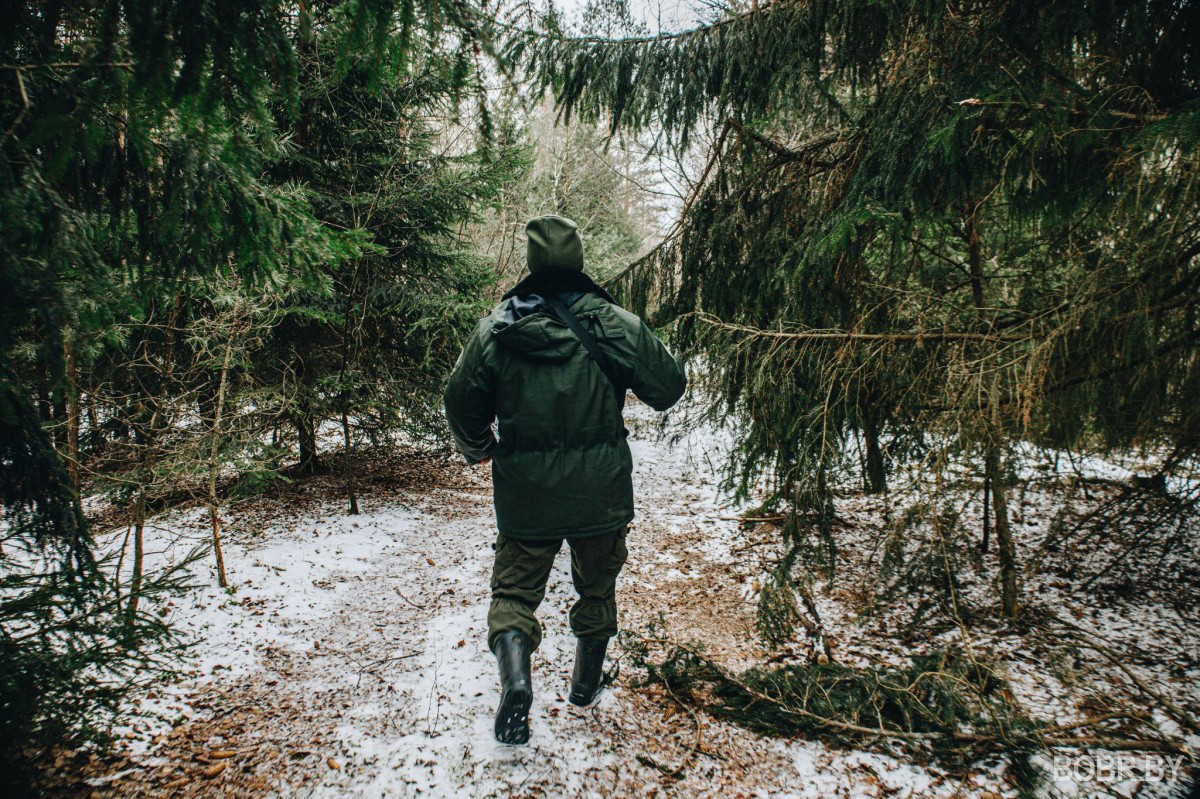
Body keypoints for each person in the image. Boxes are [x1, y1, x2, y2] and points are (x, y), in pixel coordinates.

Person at [443, 214, 687, 744]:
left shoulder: (498, 328)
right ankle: (584, 685)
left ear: (531, 264)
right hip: (599, 492)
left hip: (525, 496)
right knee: (597, 586)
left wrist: (480, 448)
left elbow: (459, 400)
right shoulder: (615, 323)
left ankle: (516, 679)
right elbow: (668, 388)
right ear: (578, 260)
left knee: (514, 591)